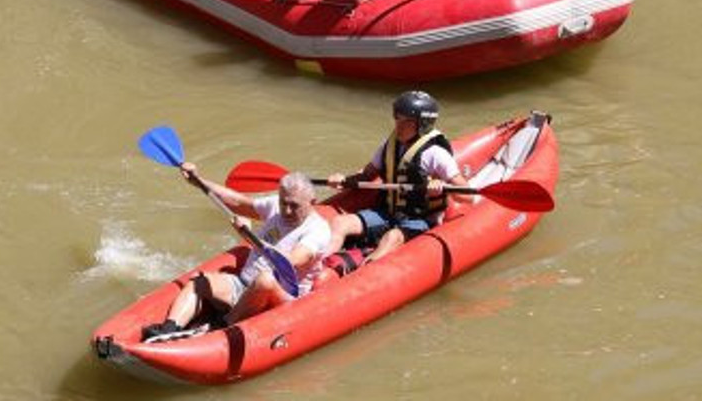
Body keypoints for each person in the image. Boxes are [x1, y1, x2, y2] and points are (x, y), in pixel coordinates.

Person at [141, 163, 330, 342]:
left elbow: (292, 261)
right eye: (284, 203)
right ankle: (168, 330)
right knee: (200, 282)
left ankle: (221, 327)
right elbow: (238, 202)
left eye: (294, 206)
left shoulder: (318, 230)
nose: (287, 210)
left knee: (265, 279)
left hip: (281, 299)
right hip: (244, 285)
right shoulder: (275, 206)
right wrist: (199, 182)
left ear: (312, 202)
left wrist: (249, 237)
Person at [323, 91, 471, 265]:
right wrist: (343, 180)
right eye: (397, 118)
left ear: (422, 124)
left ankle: (362, 273)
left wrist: (442, 186)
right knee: (340, 223)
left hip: (420, 219)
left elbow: (468, 196)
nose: (398, 126)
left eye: (406, 121)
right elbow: (367, 175)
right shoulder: (389, 146)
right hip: (387, 212)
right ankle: (318, 266)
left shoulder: (436, 154)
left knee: (392, 237)